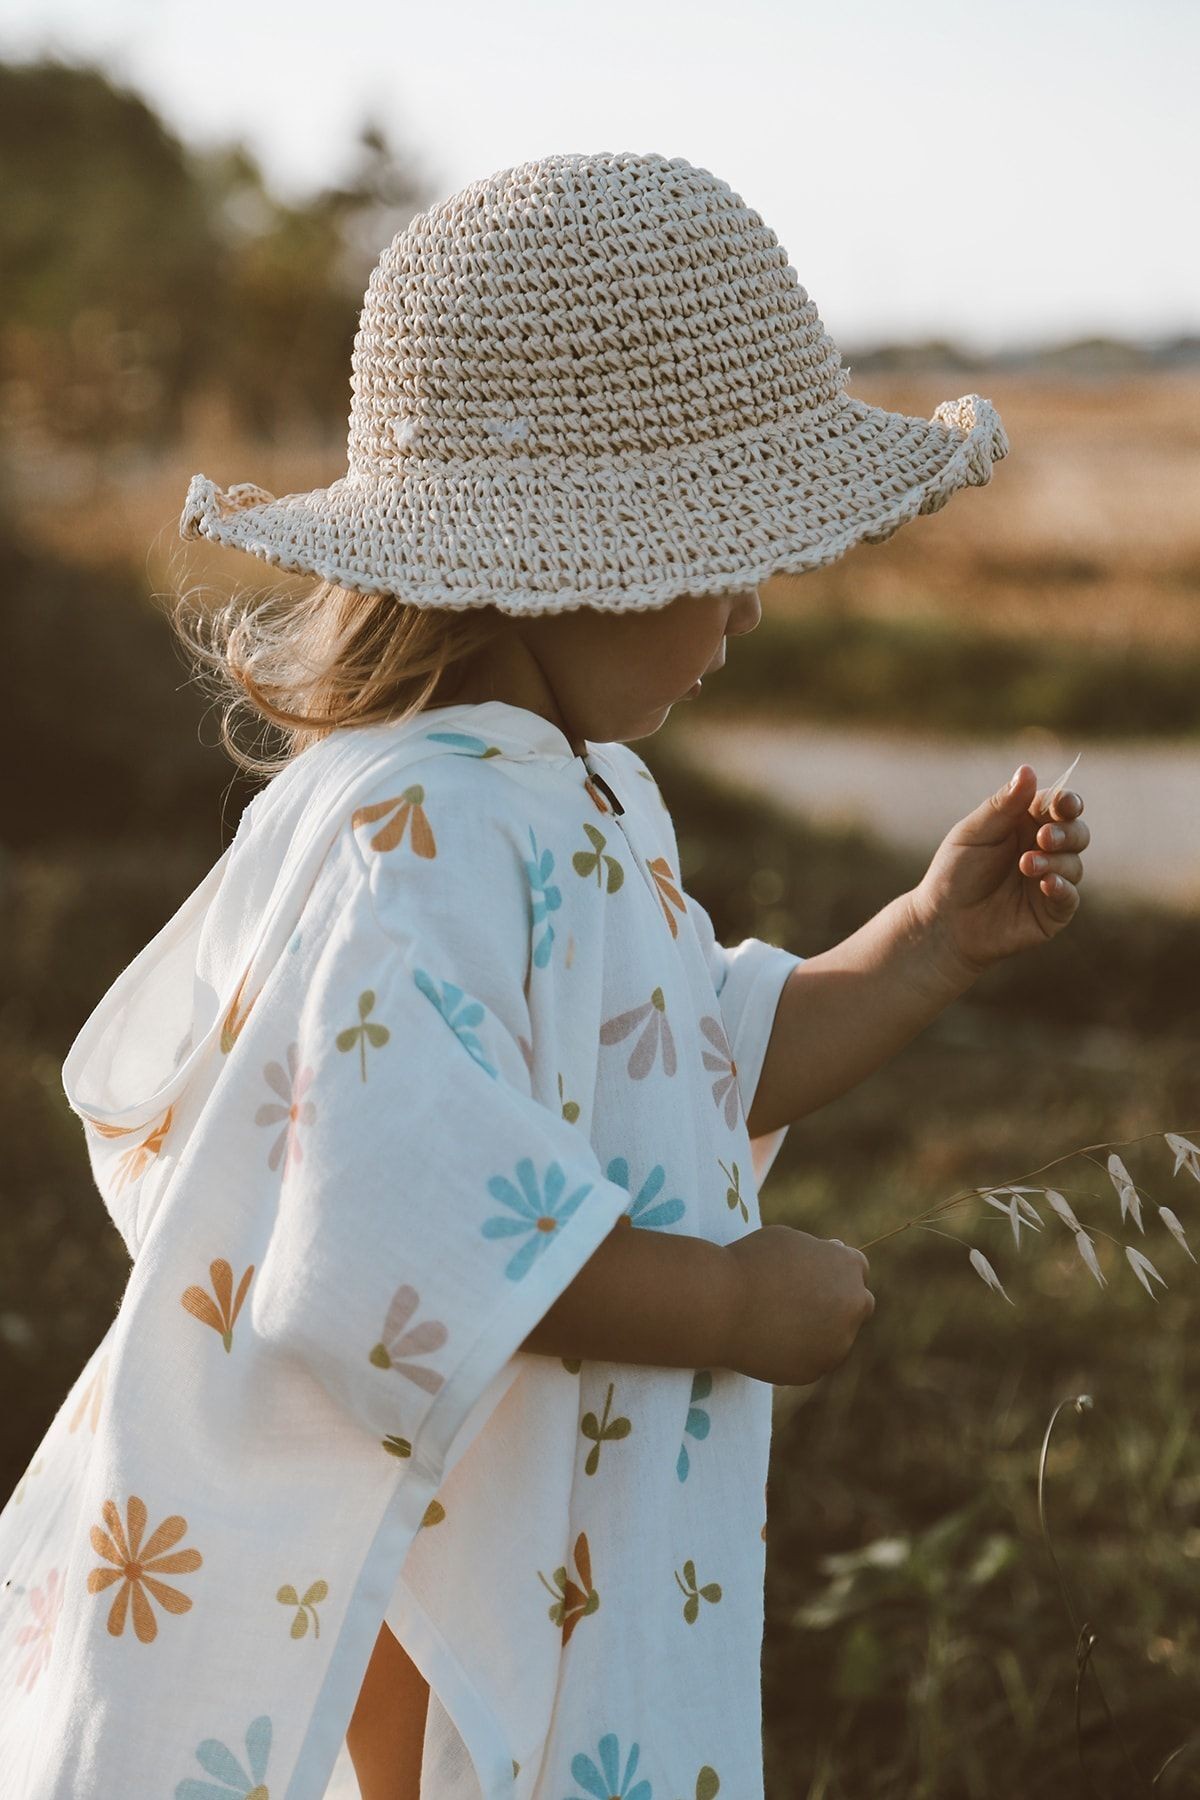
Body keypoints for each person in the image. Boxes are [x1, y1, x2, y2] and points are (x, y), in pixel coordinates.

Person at [0, 152, 1089, 1800]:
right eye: (718, 548)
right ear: (557, 553)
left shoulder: (548, 790)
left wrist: (921, 947)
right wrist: (725, 1300)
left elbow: (684, 1065)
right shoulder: (428, 820)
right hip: (427, 1552)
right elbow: (391, 1214)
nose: (751, 599)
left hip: (514, 1525)